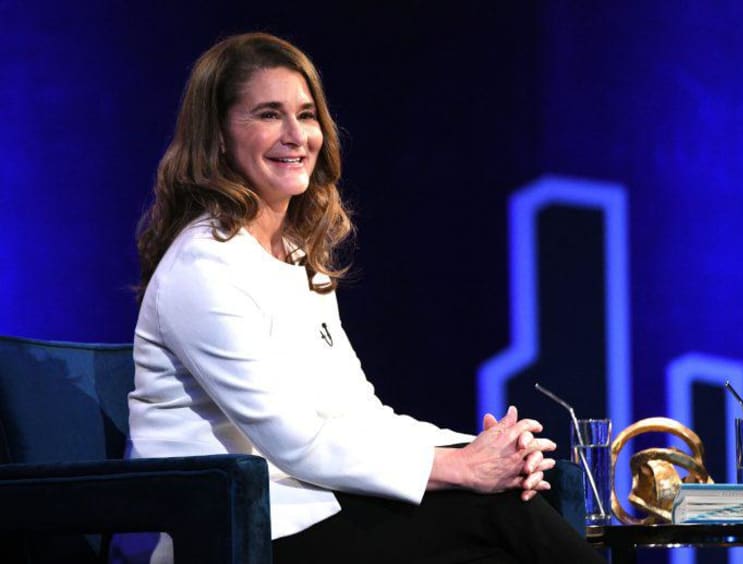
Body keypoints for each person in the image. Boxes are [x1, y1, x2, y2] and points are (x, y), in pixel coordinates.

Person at [124, 31, 604, 563]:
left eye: (306, 115)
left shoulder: (295, 258)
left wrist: (485, 450)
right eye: (267, 114)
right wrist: (462, 468)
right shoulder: (204, 267)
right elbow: (297, 441)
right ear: (217, 136)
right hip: (236, 535)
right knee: (498, 511)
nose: (295, 135)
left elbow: (358, 414)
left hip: (317, 509)